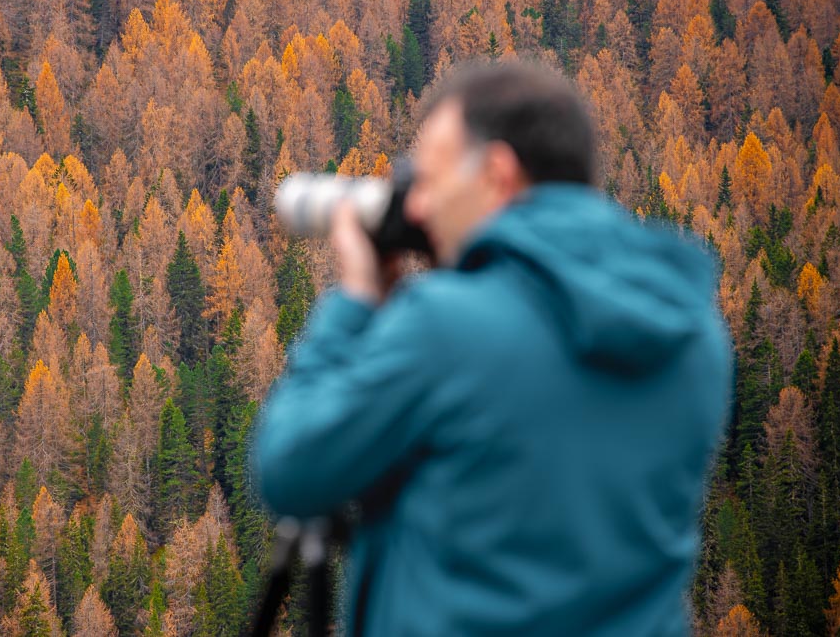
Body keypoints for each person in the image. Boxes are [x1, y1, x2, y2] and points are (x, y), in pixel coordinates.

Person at [250, 60, 733, 636]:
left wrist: (355, 301)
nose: (419, 208)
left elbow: (289, 468)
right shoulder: (693, 335)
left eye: (429, 180)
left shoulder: (446, 326)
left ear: (497, 175)